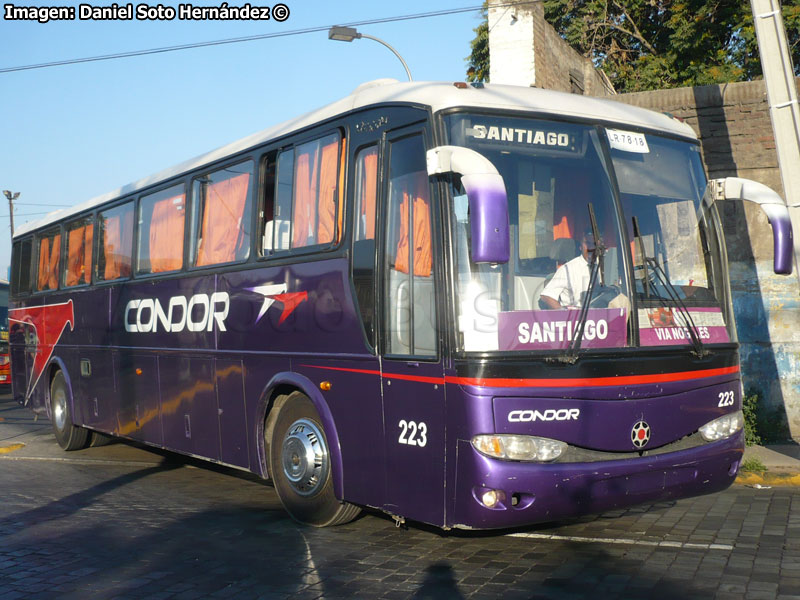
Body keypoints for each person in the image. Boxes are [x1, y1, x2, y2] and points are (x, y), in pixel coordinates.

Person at [540, 230, 595, 309]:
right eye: (587, 243)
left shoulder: (604, 267)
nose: (591, 248)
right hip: (577, 317)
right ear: (580, 247)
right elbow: (547, 296)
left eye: (594, 244)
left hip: (601, 316)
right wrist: (564, 314)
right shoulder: (567, 269)